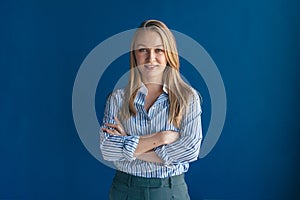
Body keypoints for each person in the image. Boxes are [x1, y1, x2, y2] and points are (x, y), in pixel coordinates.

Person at [100, 19, 202, 200]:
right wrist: (159, 138)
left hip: (170, 191)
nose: (150, 58)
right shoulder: (117, 99)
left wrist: (127, 144)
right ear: (135, 55)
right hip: (125, 190)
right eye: (142, 50)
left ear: (169, 54)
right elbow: (108, 150)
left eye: (159, 50)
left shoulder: (187, 98)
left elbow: (190, 150)